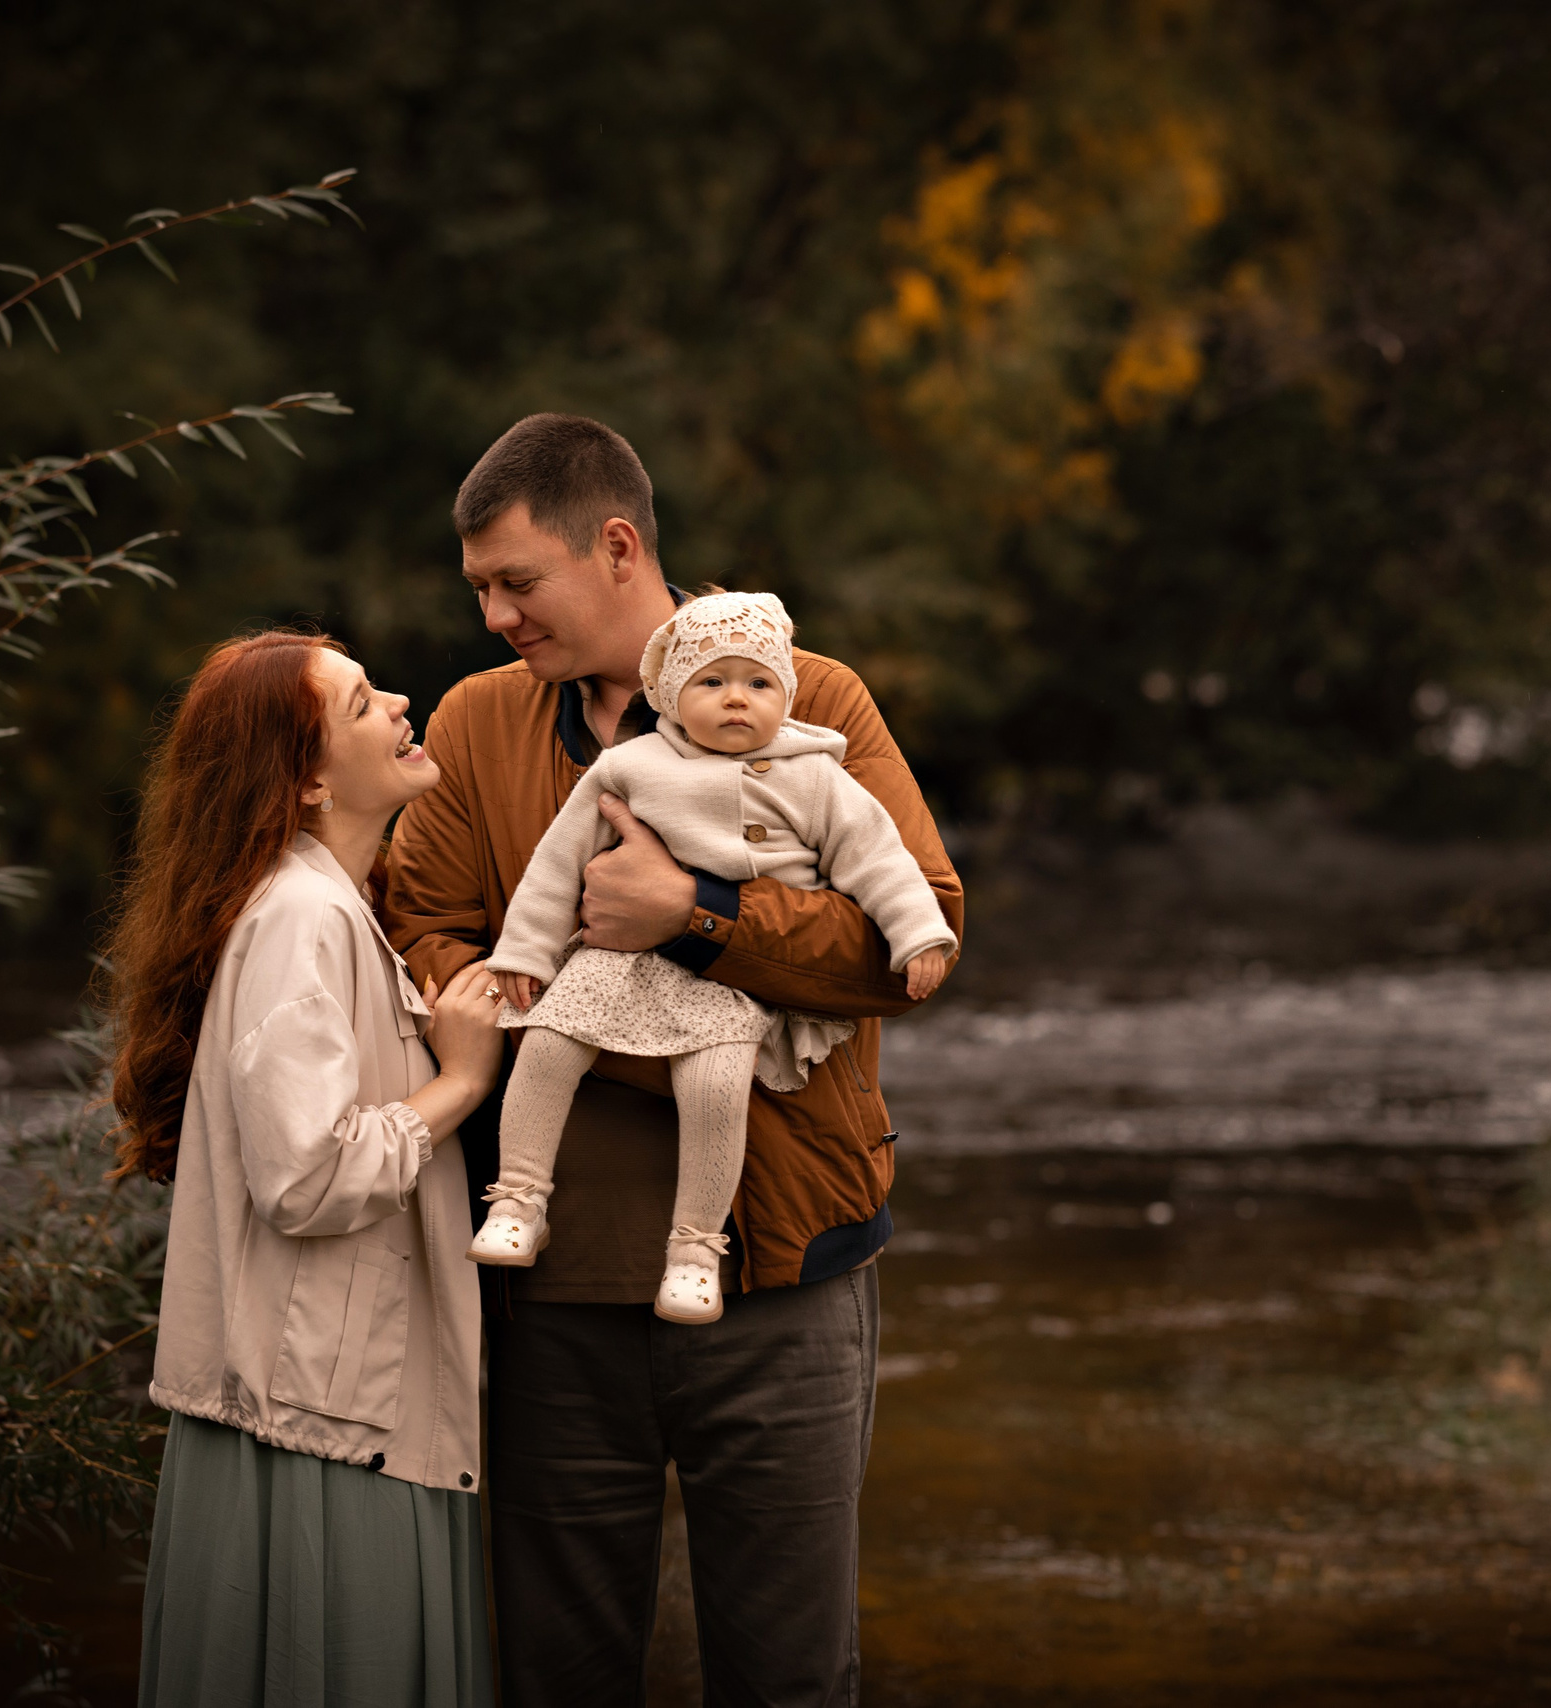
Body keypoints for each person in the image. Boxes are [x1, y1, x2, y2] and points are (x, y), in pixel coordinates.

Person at [385, 413, 962, 1708]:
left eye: (515, 582)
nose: (492, 616)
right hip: (553, 1303)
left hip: (781, 1277)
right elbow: (423, 923)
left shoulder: (811, 697)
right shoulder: (478, 727)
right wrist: (547, 1010)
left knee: (788, 1677)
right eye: (478, 587)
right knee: (559, 1676)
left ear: (617, 545)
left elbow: (915, 936)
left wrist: (699, 915)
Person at [105, 630, 505, 1708]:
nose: (402, 705)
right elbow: (309, 1174)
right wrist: (459, 1081)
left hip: (330, 1409)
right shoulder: (301, 918)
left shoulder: (327, 902)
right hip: (324, 1432)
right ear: (310, 777)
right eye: (368, 701)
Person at [471, 589, 956, 1323]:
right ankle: (518, 1198)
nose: (738, 701)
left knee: (718, 1087)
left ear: (785, 698)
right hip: (615, 961)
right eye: (712, 683)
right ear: (669, 693)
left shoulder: (816, 774)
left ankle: (695, 1250)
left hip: (727, 972)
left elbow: (880, 860)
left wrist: (918, 934)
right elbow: (558, 862)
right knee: (545, 1042)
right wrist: (528, 953)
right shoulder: (631, 765)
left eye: (758, 684)